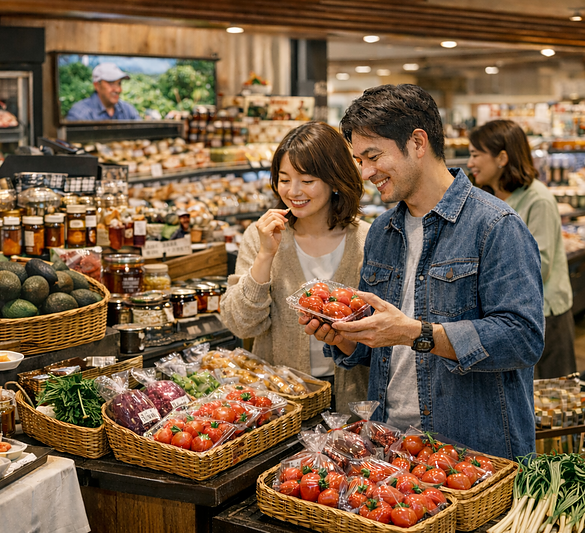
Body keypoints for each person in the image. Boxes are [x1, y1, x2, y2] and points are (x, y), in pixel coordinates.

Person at [302, 84, 544, 460]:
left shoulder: (495, 225)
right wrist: (342, 335)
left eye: (373, 156)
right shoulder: (383, 231)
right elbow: (374, 352)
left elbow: (523, 338)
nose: (365, 172)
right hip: (391, 445)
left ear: (418, 142)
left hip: (468, 451)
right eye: (359, 160)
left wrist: (416, 333)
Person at [221, 122, 371, 411]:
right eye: (284, 178)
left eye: (307, 180)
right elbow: (241, 324)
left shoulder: (365, 240)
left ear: (335, 179)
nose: (293, 191)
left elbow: (378, 335)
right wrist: (265, 255)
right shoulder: (260, 234)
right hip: (278, 401)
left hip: (351, 396)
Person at [468, 119, 576, 379]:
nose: (470, 163)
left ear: (502, 157)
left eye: (475, 155)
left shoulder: (537, 199)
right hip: (506, 316)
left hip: (546, 315)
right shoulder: (486, 198)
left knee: (551, 393)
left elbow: (542, 266)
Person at [66, 62, 141, 121]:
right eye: (111, 83)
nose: (118, 90)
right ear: (97, 85)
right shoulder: (80, 114)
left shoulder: (128, 110)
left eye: (119, 83)